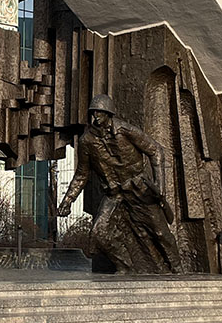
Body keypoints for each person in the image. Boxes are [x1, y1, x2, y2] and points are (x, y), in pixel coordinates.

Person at [58, 95, 182, 274]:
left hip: (138, 188)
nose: (96, 117)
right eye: (94, 113)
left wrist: (160, 186)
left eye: (100, 113)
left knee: (161, 232)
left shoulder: (125, 130)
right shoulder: (87, 141)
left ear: (109, 113)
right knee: (98, 233)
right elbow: (82, 174)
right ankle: (125, 266)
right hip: (114, 194)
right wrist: (67, 201)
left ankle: (178, 268)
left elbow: (156, 150)